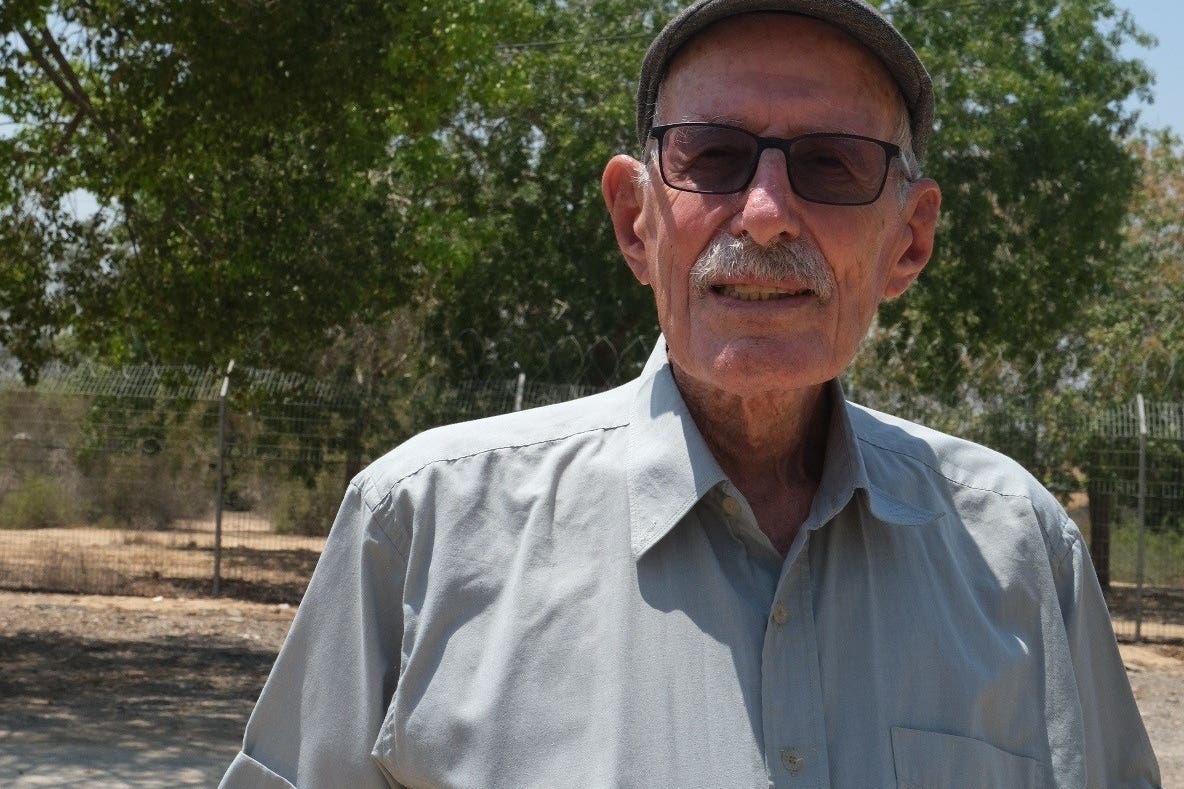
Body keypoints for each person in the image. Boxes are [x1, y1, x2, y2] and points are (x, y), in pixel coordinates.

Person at [222, 1, 1161, 786]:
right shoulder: (421, 530)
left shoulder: (1019, 551)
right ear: (636, 222)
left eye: (832, 163)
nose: (763, 212)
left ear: (908, 244)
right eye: (712, 157)